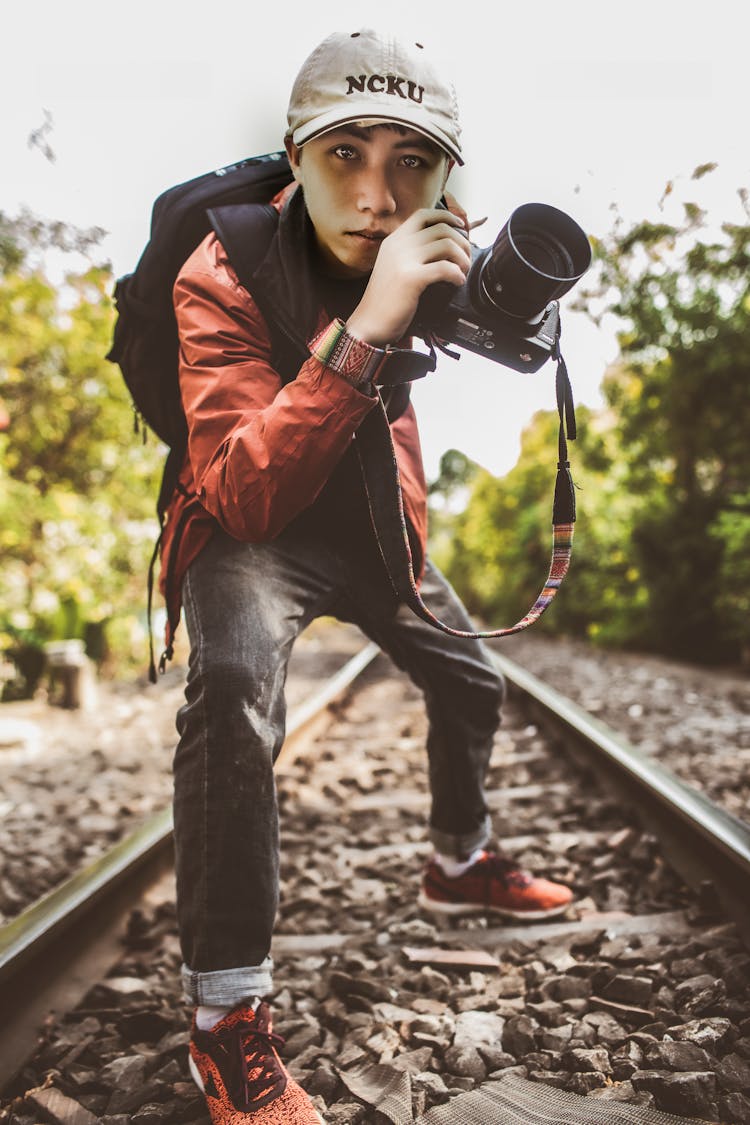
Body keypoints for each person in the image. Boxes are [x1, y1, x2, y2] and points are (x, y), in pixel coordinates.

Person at [160, 28, 573, 1125]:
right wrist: (373, 321)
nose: (377, 194)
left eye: (412, 163)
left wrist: (501, 299)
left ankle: (458, 860)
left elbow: (497, 336)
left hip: (374, 526)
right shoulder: (222, 268)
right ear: (294, 156)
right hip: (254, 520)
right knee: (235, 694)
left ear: (446, 180)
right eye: (346, 153)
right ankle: (224, 1016)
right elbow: (240, 488)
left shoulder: (425, 249)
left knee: (474, 679)